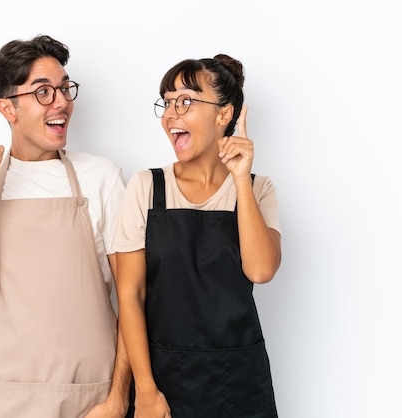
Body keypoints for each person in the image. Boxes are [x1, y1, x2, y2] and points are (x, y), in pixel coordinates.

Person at [0, 34, 131, 418]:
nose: (62, 101)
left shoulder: (101, 177)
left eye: (65, 89)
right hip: (1, 400)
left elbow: (136, 300)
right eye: (44, 92)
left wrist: (117, 399)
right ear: (8, 108)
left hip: (91, 399)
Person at [113, 54, 281, 417]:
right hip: (163, 378)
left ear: (223, 115)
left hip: (239, 379)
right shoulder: (147, 187)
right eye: (167, 102)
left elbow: (261, 271)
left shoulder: (257, 188)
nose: (171, 113)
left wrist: (240, 180)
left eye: (186, 101)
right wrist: (143, 389)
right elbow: (130, 295)